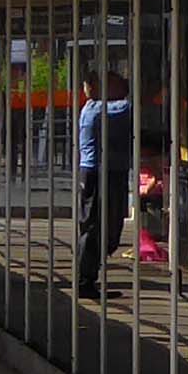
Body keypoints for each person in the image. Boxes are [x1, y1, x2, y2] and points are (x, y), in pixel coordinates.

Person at [76, 74, 132, 295]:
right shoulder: (97, 109)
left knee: (104, 224)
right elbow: (129, 108)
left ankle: (88, 277)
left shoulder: (96, 108)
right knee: (96, 226)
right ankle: (85, 281)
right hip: (100, 173)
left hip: (104, 172)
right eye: (117, 83)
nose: (123, 87)